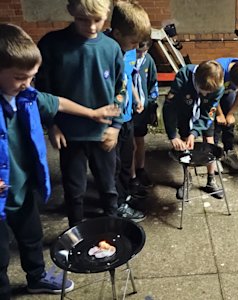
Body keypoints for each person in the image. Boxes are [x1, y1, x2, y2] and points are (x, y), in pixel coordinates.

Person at [0, 23, 120, 299]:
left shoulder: (28, 96)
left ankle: (37, 278)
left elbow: (59, 102)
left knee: (31, 237)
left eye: (32, 77)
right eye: (20, 77)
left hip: (23, 188)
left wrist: (91, 113)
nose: (28, 84)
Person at [35, 0, 125, 227]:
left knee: (108, 188)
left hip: (103, 133)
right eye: (83, 19)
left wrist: (115, 126)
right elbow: (42, 92)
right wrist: (51, 125)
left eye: (98, 20)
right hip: (69, 134)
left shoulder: (112, 47)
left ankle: (112, 231)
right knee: (74, 191)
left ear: (107, 14)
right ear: (71, 12)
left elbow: (121, 89)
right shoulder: (52, 44)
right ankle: (75, 234)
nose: (92, 26)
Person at [106, 1, 151, 223]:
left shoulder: (130, 50)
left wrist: (135, 98)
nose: (135, 47)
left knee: (126, 158)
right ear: (116, 33)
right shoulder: (107, 49)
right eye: (133, 42)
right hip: (110, 120)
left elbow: (128, 77)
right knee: (112, 166)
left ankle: (124, 196)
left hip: (127, 117)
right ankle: (115, 206)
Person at [163, 60, 225, 199]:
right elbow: (169, 107)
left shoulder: (218, 86)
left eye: (210, 93)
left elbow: (209, 112)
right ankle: (187, 179)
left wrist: (195, 132)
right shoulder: (183, 77)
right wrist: (172, 135)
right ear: (197, 81)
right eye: (204, 91)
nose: (205, 95)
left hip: (204, 114)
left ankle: (211, 180)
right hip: (184, 112)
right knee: (185, 146)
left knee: (210, 142)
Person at [131, 38, 159, 190]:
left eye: (144, 51)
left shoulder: (148, 61)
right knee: (130, 145)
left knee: (140, 140)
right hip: (129, 109)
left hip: (143, 109)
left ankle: (140, 169)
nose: (141, 55)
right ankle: (131, 175)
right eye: (138, 51)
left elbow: (153, 83)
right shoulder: (126, 59)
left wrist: (151, 103)